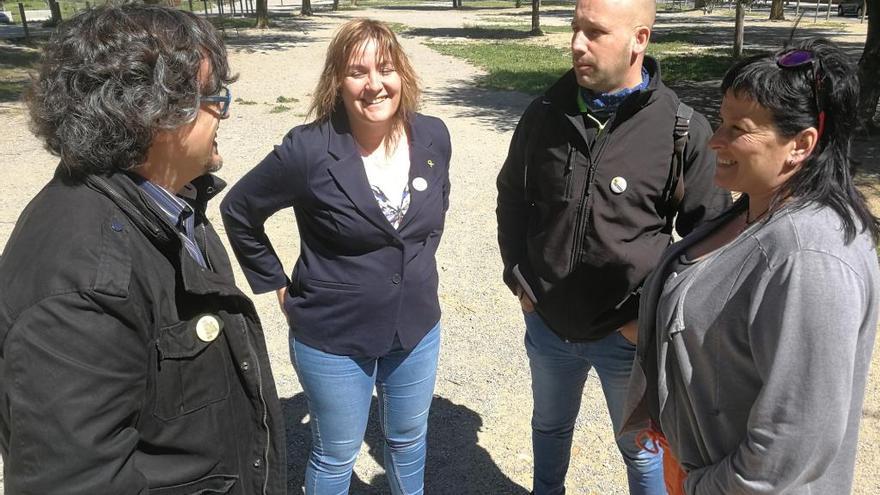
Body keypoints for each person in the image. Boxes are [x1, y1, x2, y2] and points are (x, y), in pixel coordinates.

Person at [0, 5, 286, 494]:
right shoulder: (81, 291)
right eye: (212, 96)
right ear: (153, 114)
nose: (223, 110)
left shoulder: (165, 200)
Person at [623, 37, 880, 494]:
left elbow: (794, 441)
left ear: (800, 145)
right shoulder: (755, 206)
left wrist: (700, 487)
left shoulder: (810, 256)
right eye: (720, 122)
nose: (714, 140)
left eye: (737, 129)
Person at [495, 0, 731, 492]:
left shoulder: (680, 128)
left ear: (639, 40)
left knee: (642, 450)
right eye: (575, 28)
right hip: (548, 325)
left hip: (629, 339)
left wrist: (646, 318)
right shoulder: (544, 113)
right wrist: (521, 282)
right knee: (549, 428)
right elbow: (512, 198)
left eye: (595, 33)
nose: (576, 44)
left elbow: (711, 242)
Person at [220, 19, 451, 495]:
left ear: (402, 74)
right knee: (336, 453)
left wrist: (416, 266)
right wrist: (276, 283)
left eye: (385, 69)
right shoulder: (308, 150)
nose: (374, 84)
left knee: (409, 441)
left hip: (416, 328)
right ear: (337, 82)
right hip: (332, 334)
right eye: (357, 71)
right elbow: (239, 210)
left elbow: (433, 210)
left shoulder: (432, 136)